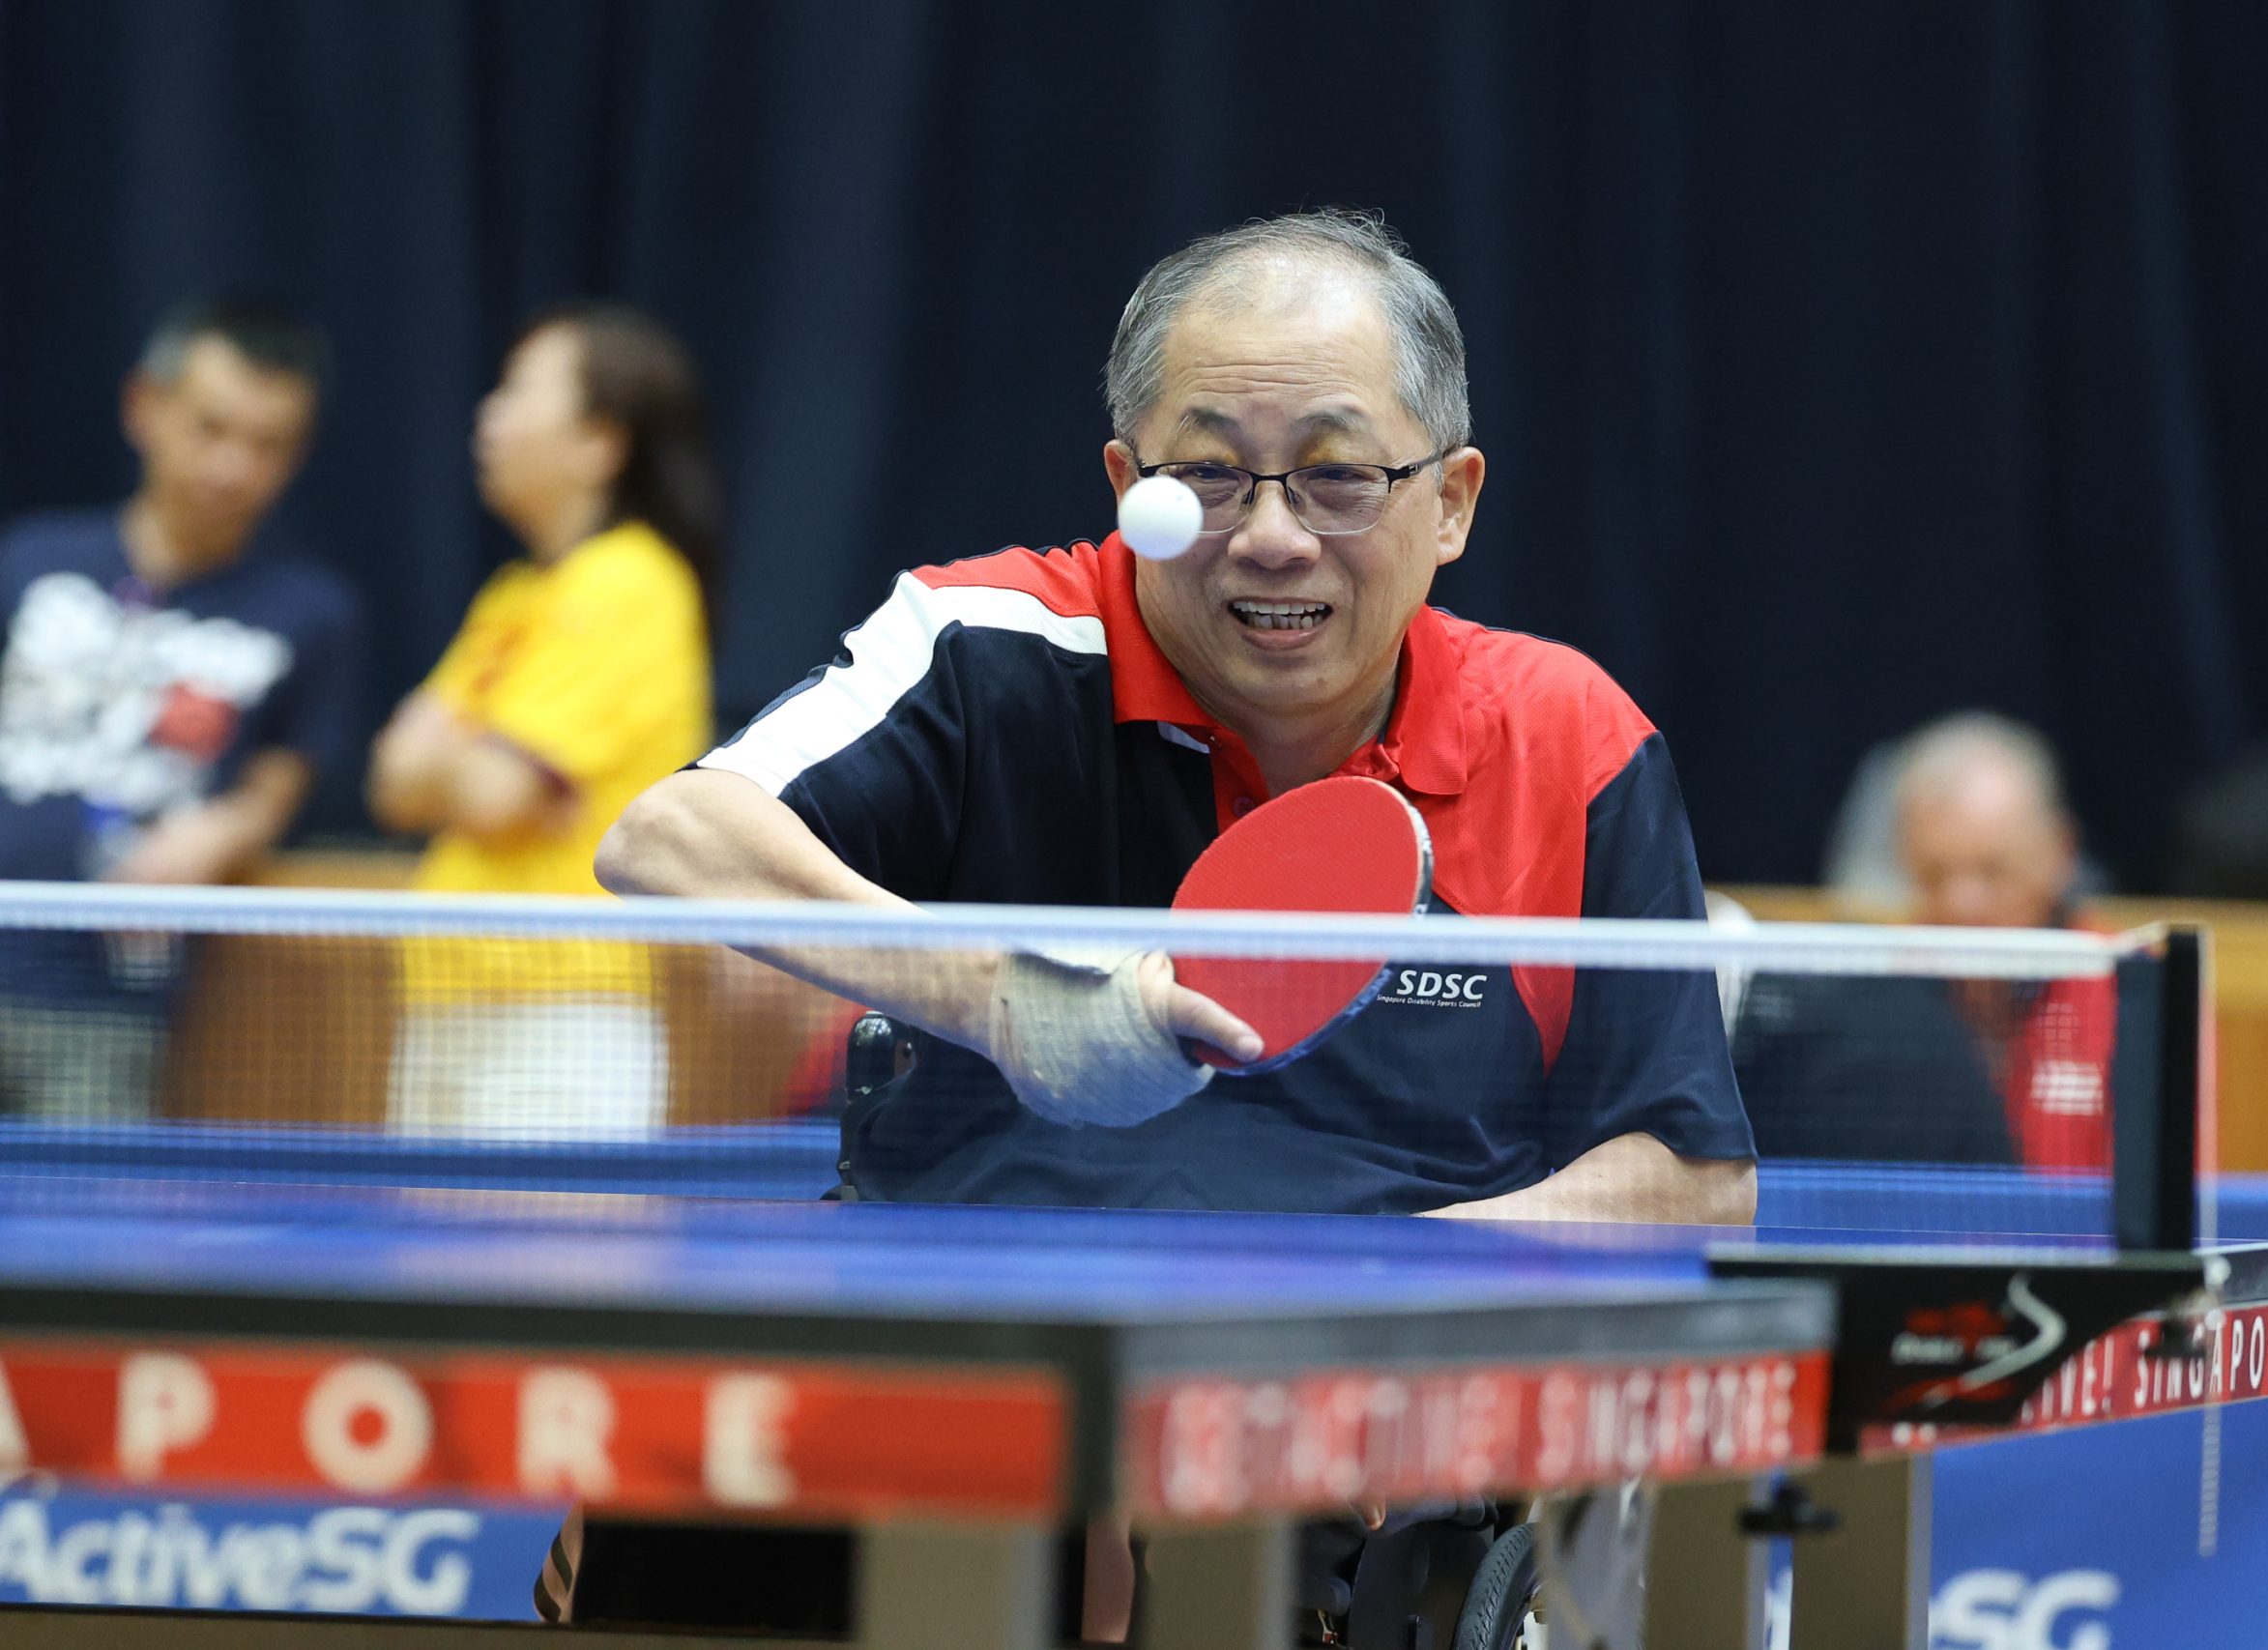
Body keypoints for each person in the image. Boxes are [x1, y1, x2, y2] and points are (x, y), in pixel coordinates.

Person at [556, 211, 1755, 1636]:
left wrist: (1379, 1300)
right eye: (1206, 473)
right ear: (1128, 483)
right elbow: (669, 837)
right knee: (682, 1473)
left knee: (1254, 1507)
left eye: (1338, 475)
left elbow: (1687, 1179)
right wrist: (1012, 997)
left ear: (1452, 499)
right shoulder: (990, 644)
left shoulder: (1569, 739)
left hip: (1350, 1412)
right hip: (960, 1356)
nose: (1270, 535)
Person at [0, 297, 361, 1120]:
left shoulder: (310, 612)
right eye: (211, 428)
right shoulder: (32, 560)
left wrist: (223, 830)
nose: (233, 467)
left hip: (106, 1008)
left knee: (75, 1247)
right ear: (145, 406)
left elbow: (280, 783)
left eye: (267, 445)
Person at [367, 304, 715, 1138]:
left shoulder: (629, 585)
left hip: (560, 1015)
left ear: (599, 441)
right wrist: (456, 766)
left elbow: (492, 794)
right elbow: (389, 781)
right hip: (447, 1002)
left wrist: (451, 752)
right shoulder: (513, 596)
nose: (488, 417)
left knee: (545, 1271)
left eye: (518, 393)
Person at [1895, 712, 2111, 1171]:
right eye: (1935, 875)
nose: (1962, 905)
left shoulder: (2133, 993)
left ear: (2061, 852)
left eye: (1993, 871)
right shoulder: (1880, 989)